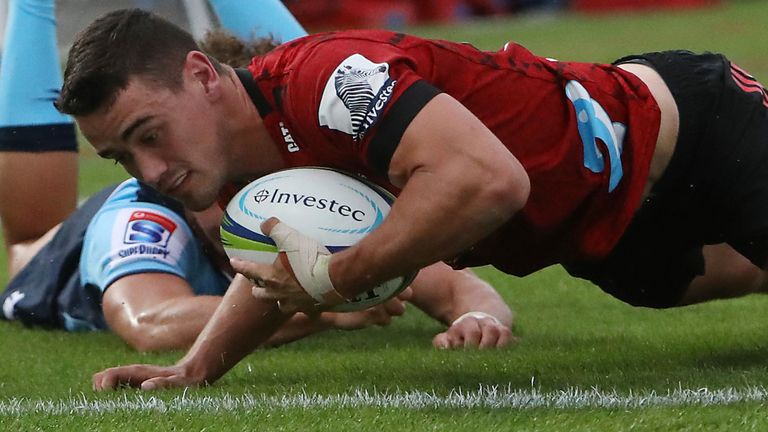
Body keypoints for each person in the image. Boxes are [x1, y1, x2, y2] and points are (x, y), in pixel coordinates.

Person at [56, 8, 768, 391]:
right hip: (604, 237)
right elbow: (277, 274)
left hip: (695, 130)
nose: (147, 169)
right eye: (122, 156)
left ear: (202, 76)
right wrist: (193, 370)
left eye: (148, 134)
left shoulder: (327, 80)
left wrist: (342, 275)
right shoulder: (240, 171)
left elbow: (489, 182)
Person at [0, 0, 514, 352]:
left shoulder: (317, 196)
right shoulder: (145, 215)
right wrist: (324, 308)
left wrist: (477, 319)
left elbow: (455, 286)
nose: (150, 172)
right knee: (24, 240)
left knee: (311, 95)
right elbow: (150, 322)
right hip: (48, 257)